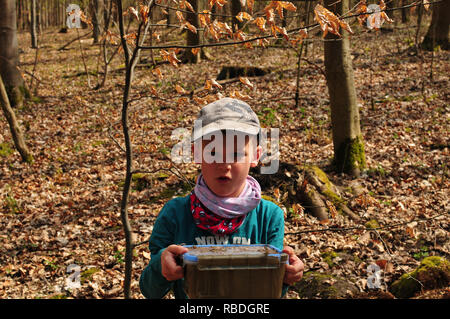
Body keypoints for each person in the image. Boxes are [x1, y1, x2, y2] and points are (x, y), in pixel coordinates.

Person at [139, 98, 304, 299]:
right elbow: (149, 290)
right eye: (213, 152)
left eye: (236, 153)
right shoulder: (175, 213)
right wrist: (161, 267)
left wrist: (285, 276)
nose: (224, 163)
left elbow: (271, 292)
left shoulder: (268, 216)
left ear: (255, 156)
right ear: (196, 154)